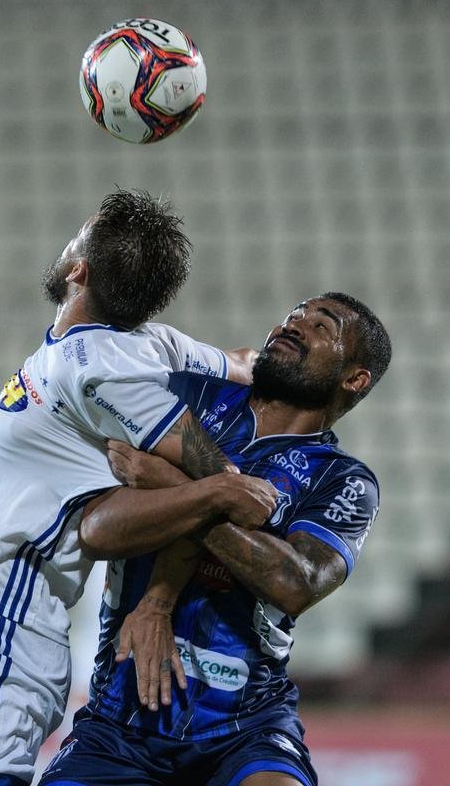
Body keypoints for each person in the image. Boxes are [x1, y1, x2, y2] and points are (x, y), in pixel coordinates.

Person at [0, 189, 275, 786]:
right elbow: (244, 363)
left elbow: (219, 475)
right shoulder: (144, 344)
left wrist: (211, 484)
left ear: (78, 270)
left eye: (78, 235)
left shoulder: (97, 368)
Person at [39, 292, 392, 786]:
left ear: (354, 378)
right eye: (293, 314)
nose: (293, 324)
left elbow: (294, 583)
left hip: (247, 726)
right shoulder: (184, 396)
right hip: (121, 720)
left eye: (321, 326)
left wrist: (174, 486)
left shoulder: (343, 480)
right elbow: (98, 531)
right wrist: (222, 499)